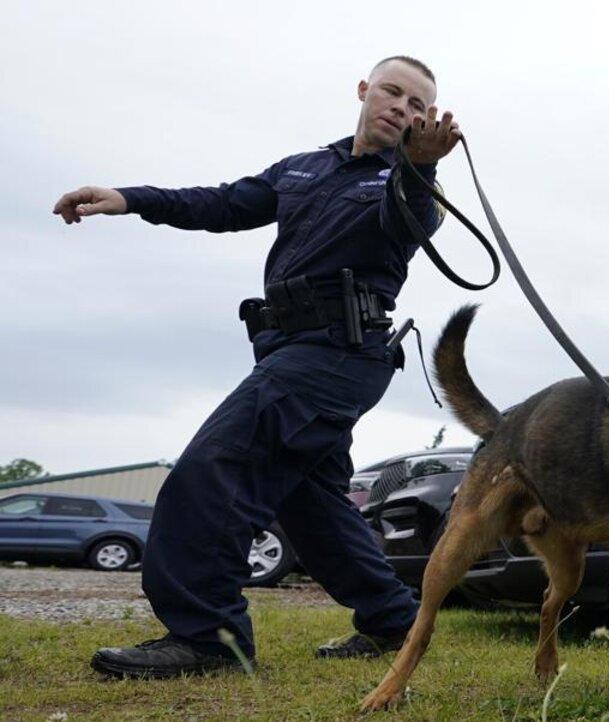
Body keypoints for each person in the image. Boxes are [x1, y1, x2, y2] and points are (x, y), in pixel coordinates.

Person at [51, 55, 460, 678]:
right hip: (285, 345)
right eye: (392, 92)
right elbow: (223, 204)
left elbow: (405, 219)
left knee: (216, 469)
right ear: (364, 90)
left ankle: (209, 638)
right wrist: (129, 199)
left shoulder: (412, 185)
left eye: (417, 105)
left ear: (425, 121)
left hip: (338, 355)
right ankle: (392, 619)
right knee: (309, 500)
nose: (401, 108)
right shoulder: (304, 167)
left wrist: (421, 165)